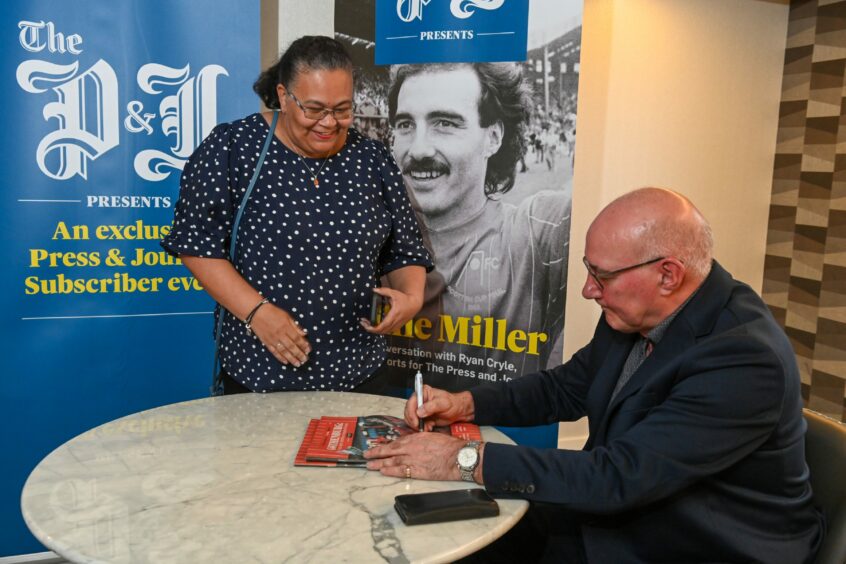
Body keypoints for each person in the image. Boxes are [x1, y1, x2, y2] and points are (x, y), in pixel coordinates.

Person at [365, 188, 824, 563]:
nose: (588, 290)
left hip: (693, 545)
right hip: (616, 516)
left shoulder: (744, 359)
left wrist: (459, 459)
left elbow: (618, 477)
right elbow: (566, 387)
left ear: (668, 275)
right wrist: (466, 403)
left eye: (601, 276)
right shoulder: (636, 309)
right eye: (589, 270)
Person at [161, 36, 432, 393]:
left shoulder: (372, 159)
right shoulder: (233, 148)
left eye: (343, 109)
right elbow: (196, 244)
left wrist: (410, 297)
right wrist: (257, 313)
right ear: (284, 96)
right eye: (315, 109)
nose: (330, 123)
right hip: (260, 373)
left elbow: (404, 249)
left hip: (361, 371)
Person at [385, 62, 571, 383]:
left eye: (444, 123)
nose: (418, 149)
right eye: (405, 124)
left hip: (499, 433)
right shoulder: (366, 239)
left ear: (493, 138)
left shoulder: (535, 233)